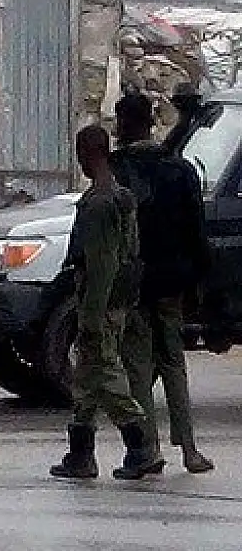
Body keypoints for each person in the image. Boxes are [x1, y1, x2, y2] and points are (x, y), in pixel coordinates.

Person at [111, 93, 214, 474]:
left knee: (137, 368)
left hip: (135, 283)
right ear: (151, 122)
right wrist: (199, 283)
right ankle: (189, 449)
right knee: (173, 363)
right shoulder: (180, 169)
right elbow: (197, 232)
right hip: (173, 282)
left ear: (123, 124)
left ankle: (147, 449)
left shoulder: (118, 170)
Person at [50, 125, 159, 481]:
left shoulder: (99, 203)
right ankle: (80, 454)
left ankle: (139, 444)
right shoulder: (120, 196)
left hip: (101, 302)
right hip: (118, 299)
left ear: (88, 153)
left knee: (106, 372)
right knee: (86, 378)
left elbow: (101, 265)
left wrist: (92, 316)